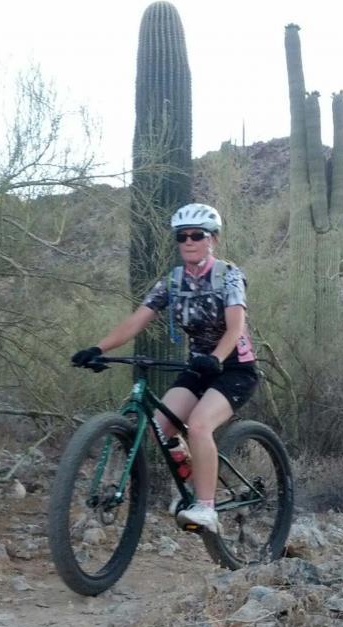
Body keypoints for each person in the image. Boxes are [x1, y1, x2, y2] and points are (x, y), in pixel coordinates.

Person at [70, 203, 258, 534]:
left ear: (213, 239)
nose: (188, 241)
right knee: (160, 426)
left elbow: (235, 328)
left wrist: (216, 358)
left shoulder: (228, 275)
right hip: (199, 366)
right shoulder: (172, 282)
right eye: (181, 236)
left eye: (197, 235)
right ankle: (190, 481)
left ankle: (206, 508)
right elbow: (136, 321)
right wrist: (98, 348)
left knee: (198, 425)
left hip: (234, 367)